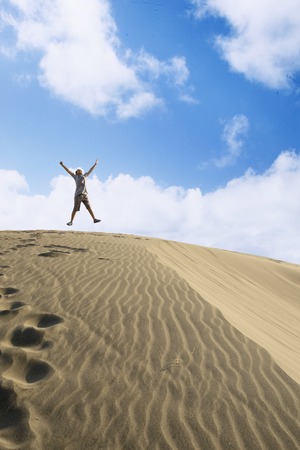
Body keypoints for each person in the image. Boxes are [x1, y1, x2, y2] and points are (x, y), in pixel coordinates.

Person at [60, 160, 101, 226]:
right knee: (75, 208)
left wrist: (95, 164)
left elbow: (91, 170)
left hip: (85, 195)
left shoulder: (85, 175)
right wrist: (62, 165)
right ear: (76, 172)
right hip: (78, 195)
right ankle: (71, 221)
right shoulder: (75, 176)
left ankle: (94, 219)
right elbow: (68, 171)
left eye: (80, 170)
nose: (79, 170)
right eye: (78, 170)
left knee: (89, 207)